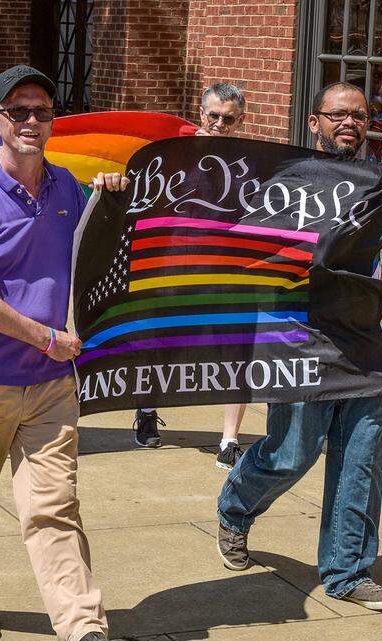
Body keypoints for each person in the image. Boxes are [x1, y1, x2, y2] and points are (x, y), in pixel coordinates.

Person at [0, 64, 126, 641]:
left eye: (41, 111)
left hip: (50, 387)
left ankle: (82, 625)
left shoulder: (67, 187)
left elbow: (99, 245)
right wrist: (46, 337)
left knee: (53, 509)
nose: (30, 121)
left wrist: (111, 198)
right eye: (17, 111)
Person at [215, 81, 382, 612]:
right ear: (314, 122)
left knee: (361, 463)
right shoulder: (285, 183)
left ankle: (348, 572)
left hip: (364, 350)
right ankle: (236, 507)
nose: (349, 122)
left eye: (359, 115)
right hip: (298, 342)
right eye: (337, 115)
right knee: (291, 454)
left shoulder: (378, 189)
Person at [133, 82, 250, 468]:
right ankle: (147, 409)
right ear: (201, 114)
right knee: (160, 345)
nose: (219, 123)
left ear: (240, 120)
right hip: (173, 264)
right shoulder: (174, 151)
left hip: (227, 270)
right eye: (213, 115)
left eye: (228, 118)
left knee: (237, 350)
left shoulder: (250, 161)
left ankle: (229, 440)